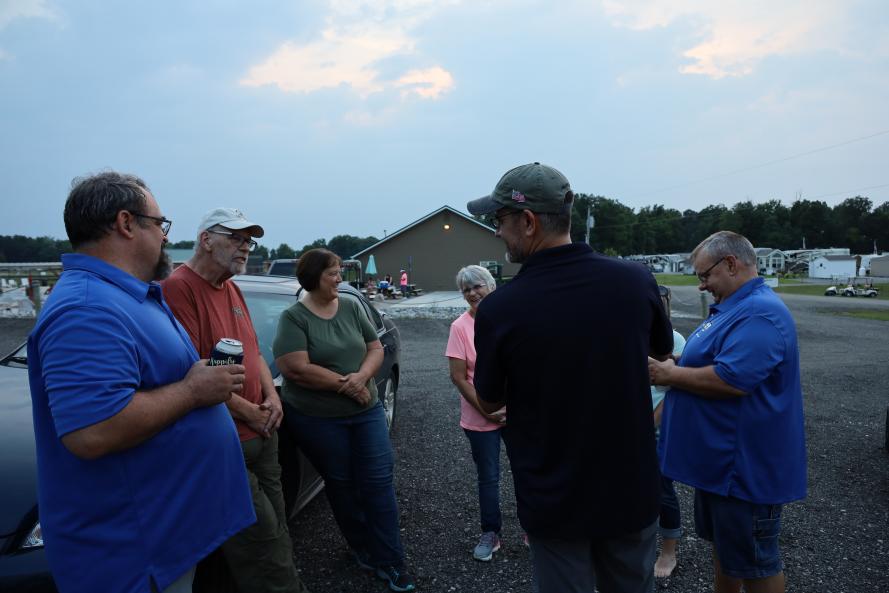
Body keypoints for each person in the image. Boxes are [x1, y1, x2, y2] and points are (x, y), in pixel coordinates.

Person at [27, 172, 255, 593]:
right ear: (127, 223)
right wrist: (192, 391)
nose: (166, 239)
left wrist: (197, 377)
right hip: (131, 556)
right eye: (160, 225)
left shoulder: (125, 295)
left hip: (162, 540)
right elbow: (92, 432)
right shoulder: (87, 308)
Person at [467, 162, 673, 593]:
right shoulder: (635, 281)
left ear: (527, 221)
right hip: (629, 487)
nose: (497, 231)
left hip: (555, 496)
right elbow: (662, 352)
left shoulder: (502, 309)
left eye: (500, 220)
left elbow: (488, 401)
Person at [162, 208, 310, 593]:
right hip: (226, 442)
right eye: (236, 238)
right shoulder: (178, 288)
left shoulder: (232, 286)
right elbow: (192, 374)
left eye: (249, 241)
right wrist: (250, 412)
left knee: (277, 528)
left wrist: (272, 399)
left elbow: (254, 351)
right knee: (263, 545)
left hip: (262, 432)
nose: (245, 248)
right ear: (206, 239)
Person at [649, 231, 806, 593]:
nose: (702, 286)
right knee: (729, 551)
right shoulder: (737, 307)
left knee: (756, 562)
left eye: (705, 276)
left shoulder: (760, 314)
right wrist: (674, 362)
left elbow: (733, 379)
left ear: (731, 264)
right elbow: (718, 361)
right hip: (722, 467)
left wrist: (671, 374)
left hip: (744, 469)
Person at [273, 249, 416, 592]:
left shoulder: (351, 306)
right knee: (342, 484)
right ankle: (361, 547)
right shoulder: (294, 318)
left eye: (339, 272)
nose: (340, 279)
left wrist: (359, 379)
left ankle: (391, 561)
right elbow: (295, 368)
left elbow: (375, 348)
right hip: (318, 418)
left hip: (365, 410)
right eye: (333, 274)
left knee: (378, 480)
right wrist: (347, 386)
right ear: (313, 278)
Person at [445, 265, 509, 561]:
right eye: (466, 289)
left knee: (527, 471)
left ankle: (533, 529)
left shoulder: (509, 319)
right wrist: (487, 409)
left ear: (491, 286)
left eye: (477, 286)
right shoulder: (460, 327)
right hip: (478, 414)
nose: (472, 293)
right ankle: (491, 532)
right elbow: (458, 376)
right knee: (488, 477)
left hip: (515, 412)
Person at [649, 286, 686, 579]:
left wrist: (650, 423)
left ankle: (668, 551)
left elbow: (674, 392)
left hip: (659, 430)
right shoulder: (627, 335)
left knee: (662, 492)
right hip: (628, 430)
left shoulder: (676, 340)